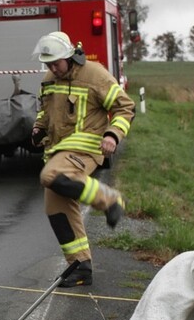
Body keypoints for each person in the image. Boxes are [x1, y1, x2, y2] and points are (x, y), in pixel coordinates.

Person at [31, 32, 135, 287]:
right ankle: (80, 266)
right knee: (57, 209)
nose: (52, 68)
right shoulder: (49, 78)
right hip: (59, 149)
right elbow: (46, 111)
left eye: (56, 63)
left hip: (86, 147)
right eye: (48, 64)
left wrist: (113, 134)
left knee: (50, 176)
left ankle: (110, 199)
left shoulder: (95, 74)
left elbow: (125, 107)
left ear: (69, 56)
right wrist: (38, 128)